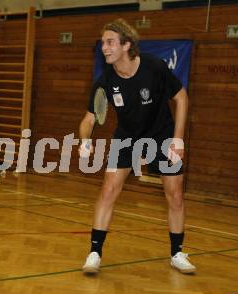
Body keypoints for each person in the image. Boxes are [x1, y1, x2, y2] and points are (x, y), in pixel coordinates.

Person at [78, 19, 196, 274]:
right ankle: (95, 252)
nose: (104, 48)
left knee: (174, 195)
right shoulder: (105, 81)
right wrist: (85, 140)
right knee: (108, 190)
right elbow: (89, 119)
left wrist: (178, 138)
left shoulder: (154, 67)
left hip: (162, 135)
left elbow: (181, 97)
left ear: (126, 44)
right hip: (127, 137)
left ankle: (177, 253)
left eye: (110, 42)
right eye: (103, 43)